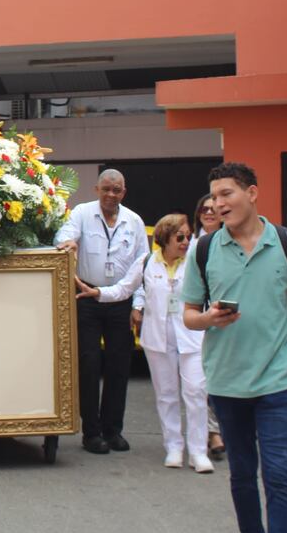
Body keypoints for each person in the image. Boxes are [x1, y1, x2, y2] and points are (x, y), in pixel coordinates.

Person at [181, 162, 287, 533]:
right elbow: (189, 315)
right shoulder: (205, 249)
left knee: (279, 476)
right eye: (213, 196)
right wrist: (208, 318)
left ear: (252, 193)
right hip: (227, 383)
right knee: (243, 476)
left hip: (277, 381)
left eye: (226, 193)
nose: (218, 203)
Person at [80, 213, 212, 472]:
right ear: (165, 238)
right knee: (166, 395)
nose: (186, 241)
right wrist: (98, 293)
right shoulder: (148, 261)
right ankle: (174, 447)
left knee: (196, 392)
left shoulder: (196, 260)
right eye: (180, 237)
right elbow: (123, 289)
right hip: (158, 338)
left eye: (188, 236)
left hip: (192, 336)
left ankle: (198, 451)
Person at [54, 169, 149, 454]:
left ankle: (113, 430)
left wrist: (138, 305)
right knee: (89, 364)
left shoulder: (134, 222)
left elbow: (142, 266)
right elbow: (65, 234)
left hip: (120, 302)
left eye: (116, 190)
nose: (111, 195)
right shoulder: (83, 213)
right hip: (87, 299)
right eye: (106, 189)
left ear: (124, 192)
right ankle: (91, 432)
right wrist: (67, 243)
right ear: (97, 189)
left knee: (119, 367)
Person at [192, 192, 226, 459]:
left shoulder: (229, 243)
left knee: (218, 379)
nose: (209, 213)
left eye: (214, 210)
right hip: (195, 322)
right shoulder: (190, 243)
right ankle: (211, 433)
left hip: (225, 321)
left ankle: (215, 431)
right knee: (201, 383)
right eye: (205, 209)